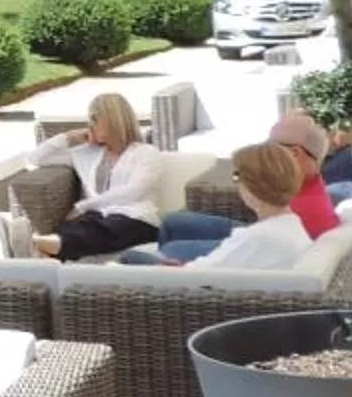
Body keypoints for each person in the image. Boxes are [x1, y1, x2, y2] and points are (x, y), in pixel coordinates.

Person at [116, 143, 327, 272]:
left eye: (237, 176)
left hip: (192, 291)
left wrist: (176, 267)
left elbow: (197, 277)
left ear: (253, 185)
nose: (236, 183)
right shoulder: (293, 226)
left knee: (130, 257)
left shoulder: (254, 238)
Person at [27, 93, 165, 262]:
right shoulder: (88, 154)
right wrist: (68, 137)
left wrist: (83, 206)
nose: (90, 124)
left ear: (112, 119)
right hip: (96, 216)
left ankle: (33, 243)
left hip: (136, 219)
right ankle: (37, 252)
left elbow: (132, 192)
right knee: (77, 228)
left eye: (95, 118)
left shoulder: (146, 153)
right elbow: (35, 159)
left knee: (105, 229)